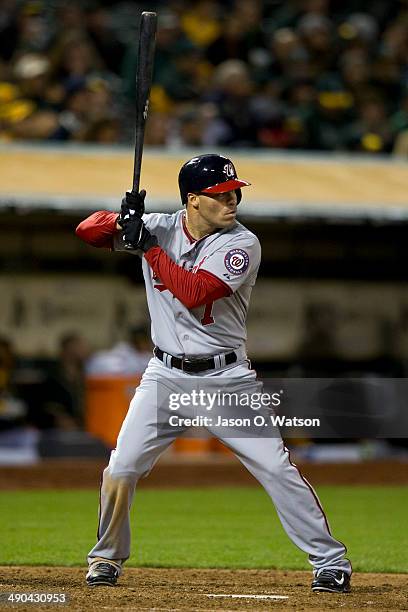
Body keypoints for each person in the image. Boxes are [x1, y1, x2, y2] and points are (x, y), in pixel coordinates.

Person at [75, 153, 351, 593]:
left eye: (234, 192)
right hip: (164, 376)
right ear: (193, 200)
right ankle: (106, 559)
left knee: (275, 469)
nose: (232, 200)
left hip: (225, 379)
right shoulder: (162, 226)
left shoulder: (242, 243)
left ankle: (330, 561)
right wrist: (121, 218)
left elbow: (194, 291)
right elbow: (85, 232)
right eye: (221, 194)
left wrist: (145, 244)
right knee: (121, 467)